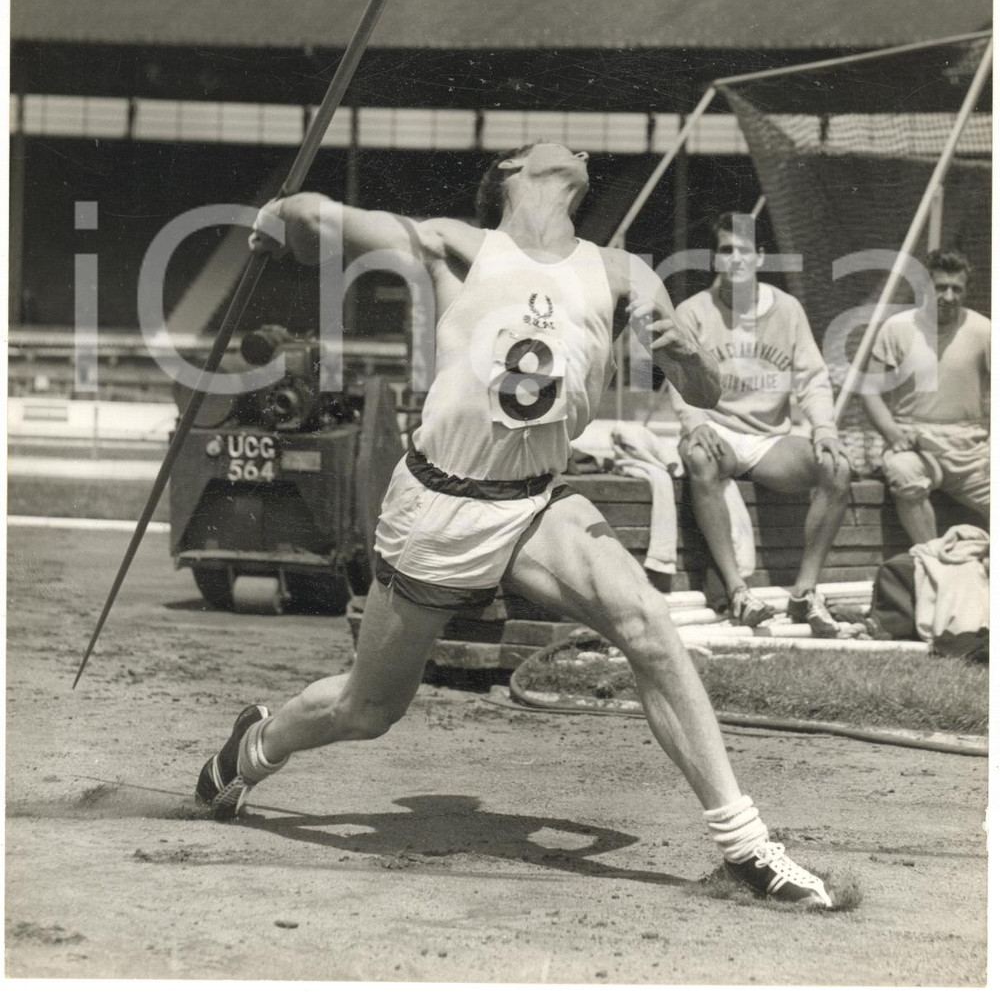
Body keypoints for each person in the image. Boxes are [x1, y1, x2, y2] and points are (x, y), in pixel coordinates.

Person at [196, 145, 834, 908]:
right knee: (366, 709)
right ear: (511, 168)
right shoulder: (453, 246)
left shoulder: (628, 274)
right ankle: (255, 745)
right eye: (558, 143)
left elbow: (706, 386)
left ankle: (745, 844)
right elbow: (321, 219)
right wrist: (276, 217)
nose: (582, 150)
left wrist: (693, 362)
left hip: (536, 500)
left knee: (648, 623)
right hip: (441, 503)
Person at [668, 213, 851, 636]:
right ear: (715, 260)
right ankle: (738, 592)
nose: (735, 259)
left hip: (771, 439)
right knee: (699, 456)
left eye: (743, 251)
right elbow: (678, 379)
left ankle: (805, 592)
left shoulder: (787, 309)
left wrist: (824, 428)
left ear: (760, 257)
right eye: (726, 251)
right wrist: (695, 422)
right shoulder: (693, 311)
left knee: (837, 467)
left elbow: (812, 378)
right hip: (720, 432)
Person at [861, 249, 990, 546]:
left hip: (968, 449)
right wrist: (893, 435)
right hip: (915, 442)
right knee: (903, 472)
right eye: (940, 287)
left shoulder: (985, 331)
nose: (948, 296)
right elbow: (869, 392)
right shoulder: (897, 328)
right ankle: (934, 561)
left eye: (956, 288)